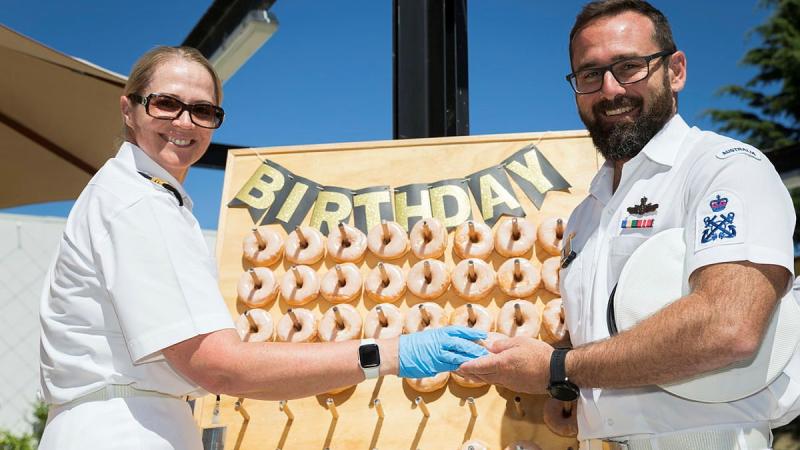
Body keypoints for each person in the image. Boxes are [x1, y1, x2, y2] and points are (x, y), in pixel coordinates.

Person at [37, 46, 487, 450]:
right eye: (166, 104)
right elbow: (218, 367)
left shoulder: (140, 198)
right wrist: (389, 353)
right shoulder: (138, 204)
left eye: (203, 111)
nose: (184, 123)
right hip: (123, 430)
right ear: (129, 109)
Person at [459, 1, 798, 448]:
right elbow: (612, 329)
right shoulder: (586, 213)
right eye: (590, 75)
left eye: (630, 66)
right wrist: (572, 389)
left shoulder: (722, 169)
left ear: (675, 71)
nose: (611, 89)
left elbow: (728, 325)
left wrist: (559, 368)